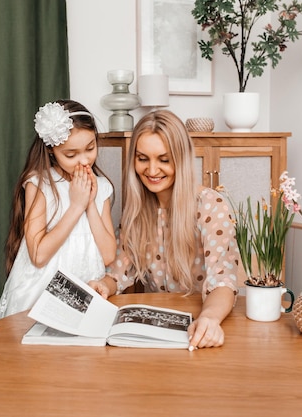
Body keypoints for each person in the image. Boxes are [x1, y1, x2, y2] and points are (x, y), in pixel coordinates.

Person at [88, 110, 239, 349]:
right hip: (156, 326)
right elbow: (119, 271)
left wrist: (209, 318)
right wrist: (104, 285)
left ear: (181, 159)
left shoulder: (210, 205)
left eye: (164, 159)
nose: (152, 170)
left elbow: (223, 282)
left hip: (200, 322)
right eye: (142, 158)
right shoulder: (138, 208)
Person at [0, 99, 117, 319]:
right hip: (40, 295)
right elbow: (39, 255)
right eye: (71, 155)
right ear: (51, 151)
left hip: (86, 290)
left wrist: (89, 203)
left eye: (90, 148)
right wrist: (76, 206)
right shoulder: (40, 184)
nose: (83, 161)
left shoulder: (102, 187)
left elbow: (109, 255)